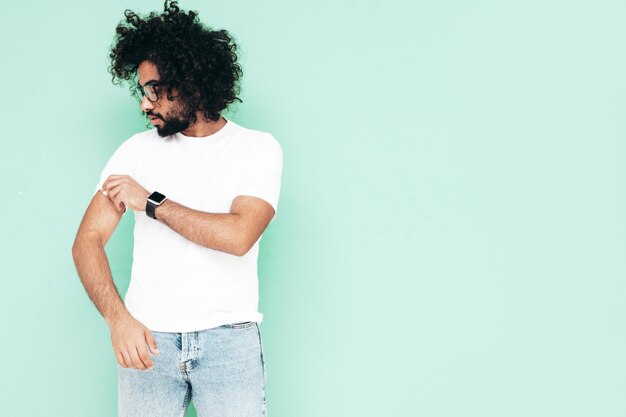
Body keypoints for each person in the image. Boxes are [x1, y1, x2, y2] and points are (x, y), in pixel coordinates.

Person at [71, 2, 282, 416]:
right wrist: (119, 320)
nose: (144, 104)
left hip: (229, 341)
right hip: (148, 340)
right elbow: (87, 241)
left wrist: (150, 202)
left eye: (154, 90)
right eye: (142, 91)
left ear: (191, 82)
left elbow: (239, 236)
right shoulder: (134, 152)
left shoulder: (256, 149)